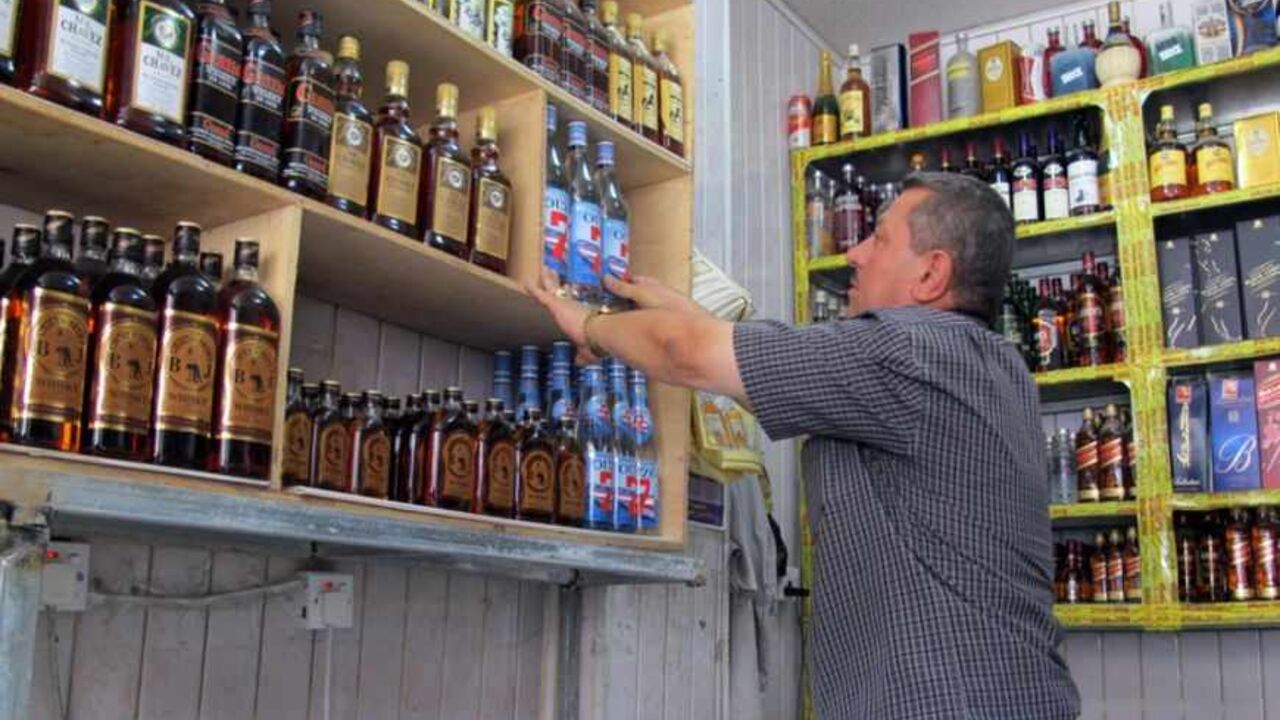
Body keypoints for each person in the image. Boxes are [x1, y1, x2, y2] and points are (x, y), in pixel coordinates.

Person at [528, 172, 1081, 719]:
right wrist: (686, 317)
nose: (855, 255)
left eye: (880, 238)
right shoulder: (991, 364)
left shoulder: (909, 352)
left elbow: (685, 354)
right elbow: (757, 372)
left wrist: (590, 324)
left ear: (932, 274)